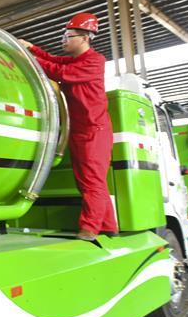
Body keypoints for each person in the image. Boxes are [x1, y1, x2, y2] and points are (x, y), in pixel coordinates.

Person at [20, 12, 118, 240]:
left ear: (85, 38)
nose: (64, 39)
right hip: (81, 130)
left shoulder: (95, 61)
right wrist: (32, 49)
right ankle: (108, 225)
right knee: (88, 181)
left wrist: (28, 58)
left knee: (92, 181)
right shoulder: (76, 60)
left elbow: (60, 72)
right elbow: (55, 61)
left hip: (94, 130)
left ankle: (90, 228)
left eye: (69, 35)